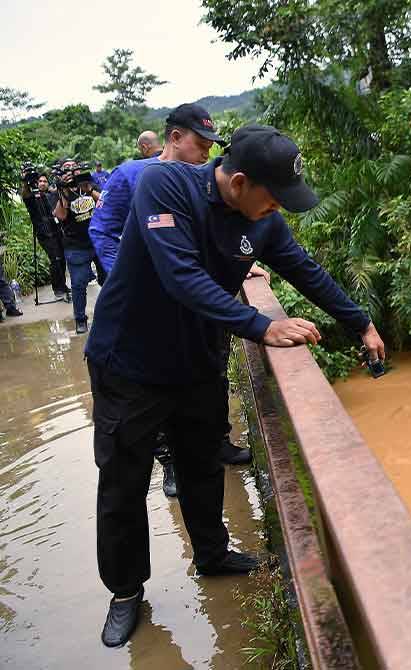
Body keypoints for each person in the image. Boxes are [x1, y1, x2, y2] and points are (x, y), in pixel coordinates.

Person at [85, 124, 385, 647]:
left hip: (197, 360)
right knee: (123, 482)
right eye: (275, 198)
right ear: (240, 181)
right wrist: (263, 326)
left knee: (202, 462)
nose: (280, 209)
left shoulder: (263, 222)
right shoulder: (165, 187)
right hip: (129, 363)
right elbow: (181, 277)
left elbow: (304, 270)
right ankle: (126, 591)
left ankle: (212, 552)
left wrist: (359, 321)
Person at [90, 103, 257, 497]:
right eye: (200, 145)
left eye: (210, 147)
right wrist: (130, 280)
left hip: (190, 314)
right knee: (145, 409)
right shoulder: (133, 176)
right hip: (142, 318)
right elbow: (102, 230)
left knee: (200, 393)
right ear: (175, 138)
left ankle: (216, 445)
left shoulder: (199, 184)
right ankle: (168, 466)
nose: (206, 155)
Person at [52, 160, 106, 334]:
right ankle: (80, 320)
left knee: (109, 278)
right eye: (66, 169)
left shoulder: (89, 183)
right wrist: (65, 191)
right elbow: (60, 215)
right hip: (76, 246)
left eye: (73, 168)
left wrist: (89, 189)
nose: (70, 171)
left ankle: (111, 313)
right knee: (78, 284)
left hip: (98, 240)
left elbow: (105, 202)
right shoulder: (59, 190)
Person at [20, 173, 70, 301]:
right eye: (40, 181)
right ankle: (57, 289)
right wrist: (26, 182)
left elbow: (53, 211)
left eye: (44, 181)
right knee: (55, 259)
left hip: (55, 230)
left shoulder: (46, 195)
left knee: (62, 258)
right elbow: (25, 194)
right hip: (44, 234)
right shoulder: (31, 197)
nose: (42, 183)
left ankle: (62, 286)